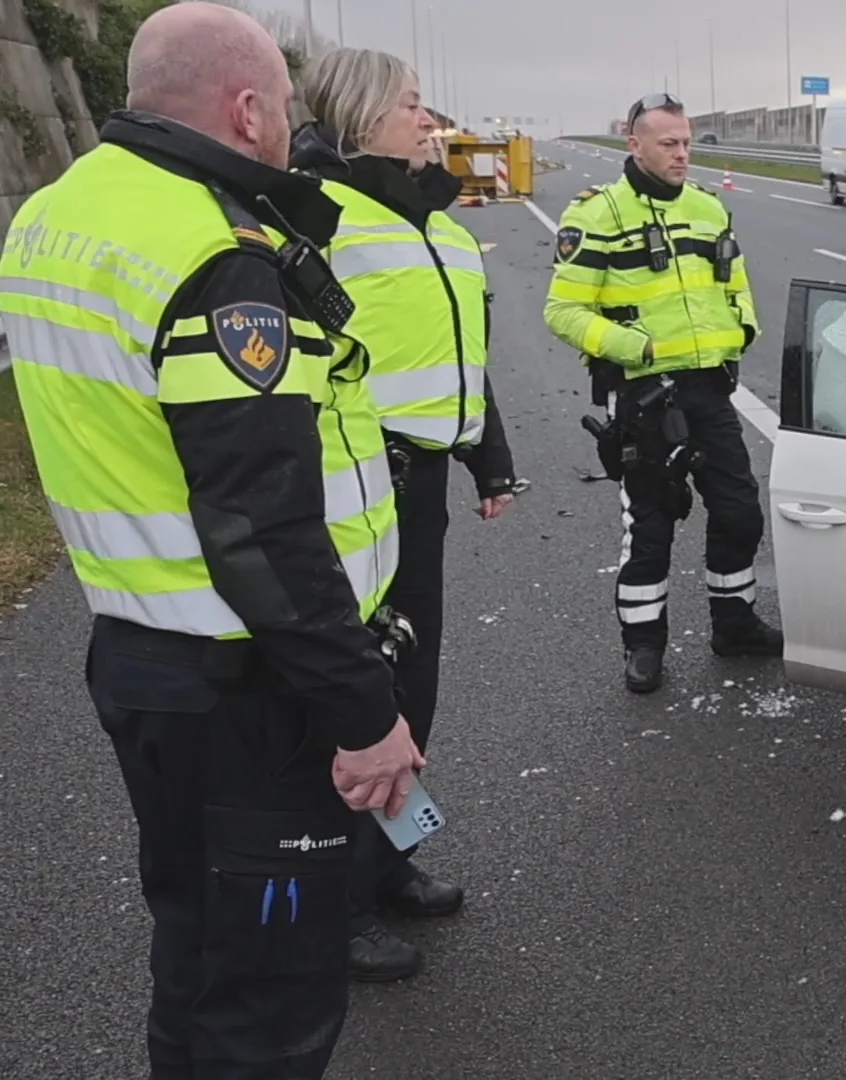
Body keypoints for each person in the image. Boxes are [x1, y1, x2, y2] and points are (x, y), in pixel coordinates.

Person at [0, 3, 423, 1076]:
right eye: (282, 107)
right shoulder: (217, 251)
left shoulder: (56, 211)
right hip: (247, 689)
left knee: (196, 950)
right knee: (271, 1001)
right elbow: (263, 525)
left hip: (142, 662)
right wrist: (363, 713)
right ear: (246, 109)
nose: (288, 128)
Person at [289, 45, 519, 983]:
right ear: (360, 115)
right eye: (414, 106)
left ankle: (384, 864)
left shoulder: (440, 222)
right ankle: (326, 909)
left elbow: (463, 356)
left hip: (419, 485)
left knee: (411, 684)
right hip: (352, 486)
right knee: (350, 695)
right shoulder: (315, 215)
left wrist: (487, 452)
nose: (431, 121)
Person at [544, 91, 782, 693]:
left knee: (739, 510)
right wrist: (638, 349)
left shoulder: (708, 208)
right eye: (669, 144)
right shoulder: (597, 215)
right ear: (635, 143)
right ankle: (644, 644)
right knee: (651, 525)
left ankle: (734, 626)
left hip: (709, 389)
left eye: (686, 142)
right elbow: (564, 311)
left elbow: (737, 284)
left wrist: (742, 329)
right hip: (644, 397)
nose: (682, 155)